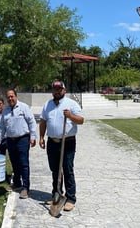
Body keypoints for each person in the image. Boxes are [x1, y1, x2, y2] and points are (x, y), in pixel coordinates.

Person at [39, 81, 84, 212]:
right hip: (52, 142)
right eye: (55, 89)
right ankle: (57, 194)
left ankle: (71, 198)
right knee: (55, 170)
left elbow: (81, 120)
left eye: (59, 89)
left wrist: (70, 116)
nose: (57, 91)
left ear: (64, 90)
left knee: (67, 169)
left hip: (67, 141)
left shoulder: (71, 104)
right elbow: (43, 121)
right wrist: (41, 137)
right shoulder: (47, 104)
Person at [0, 89, 36, 199]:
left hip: (23, 139)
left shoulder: (24, 107)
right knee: (14, 163)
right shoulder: (5, 110)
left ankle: (25, 188)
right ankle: (17, 183)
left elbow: (31, 122)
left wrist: (33, 137)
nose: (10, 99)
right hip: (10, 140)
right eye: (8, 97)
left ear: (16, 96)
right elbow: (2, 127)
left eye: (12, 96)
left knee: (23, 163)